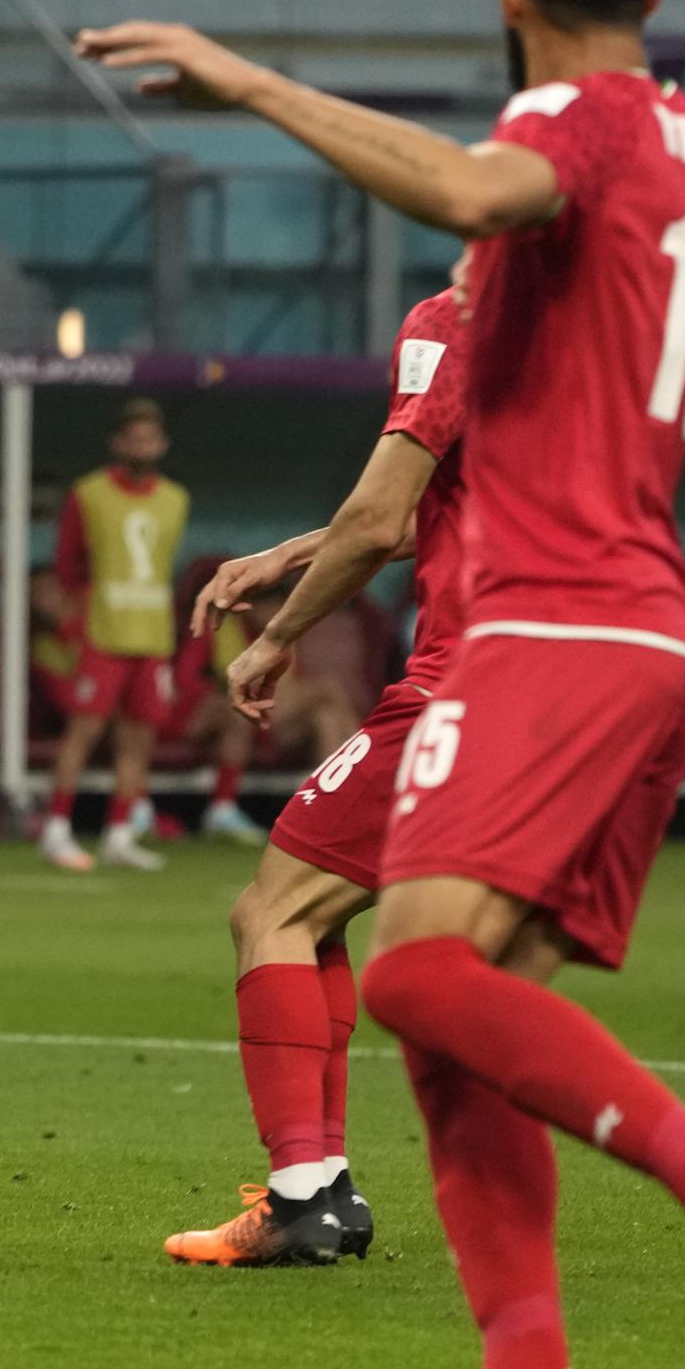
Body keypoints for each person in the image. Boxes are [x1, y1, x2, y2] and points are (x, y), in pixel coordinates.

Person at [76, 0, 685, 1369]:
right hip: (646, 633)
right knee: (454, 1024)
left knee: (417, 978)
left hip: (554, 626)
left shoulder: (559, 135)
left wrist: (240, 78)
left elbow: (461, 194)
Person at [159, 283, 471, 1267]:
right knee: (313, 908)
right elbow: (446, 517)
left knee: (271, 911)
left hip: (468, 686)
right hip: (569, 689)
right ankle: (325, 1188)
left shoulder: (452, 320)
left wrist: (276, 637)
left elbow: (381, 519)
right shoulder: (572, 347)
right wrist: (294, 553)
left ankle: (298, 1194)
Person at [36, 399, 186, 871]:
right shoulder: (89, 494)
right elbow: (67, 563)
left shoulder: (175, 500)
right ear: (117, 443)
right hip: (103, 630)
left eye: (149, 438)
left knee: (138, 740)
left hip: (153, 633)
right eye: (133, 438)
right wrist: (72, 622)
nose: (142, 446)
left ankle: (120, 833)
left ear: (161, 444)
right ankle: (56, 827)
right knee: (85, 730)